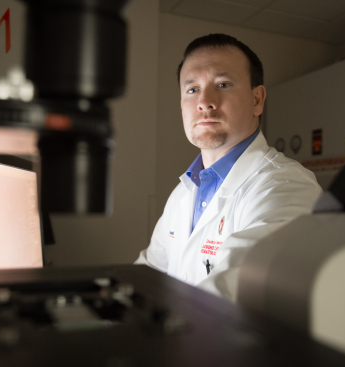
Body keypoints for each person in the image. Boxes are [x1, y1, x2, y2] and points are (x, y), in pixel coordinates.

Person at [135, 34, 322, 301]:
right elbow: (150, 271)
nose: (204, 102)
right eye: (192, 89)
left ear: (257, 99)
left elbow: (239, 287)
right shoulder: (183, 194)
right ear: (181, 106)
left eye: (222, 84)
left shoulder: (286, 186)